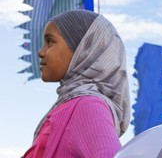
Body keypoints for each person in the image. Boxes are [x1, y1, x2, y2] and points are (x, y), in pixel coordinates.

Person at [22, 10, 130, 158]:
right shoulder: (69, 105)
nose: (41, 52)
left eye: (50, 42)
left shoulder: (88, 105)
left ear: (82, 49)